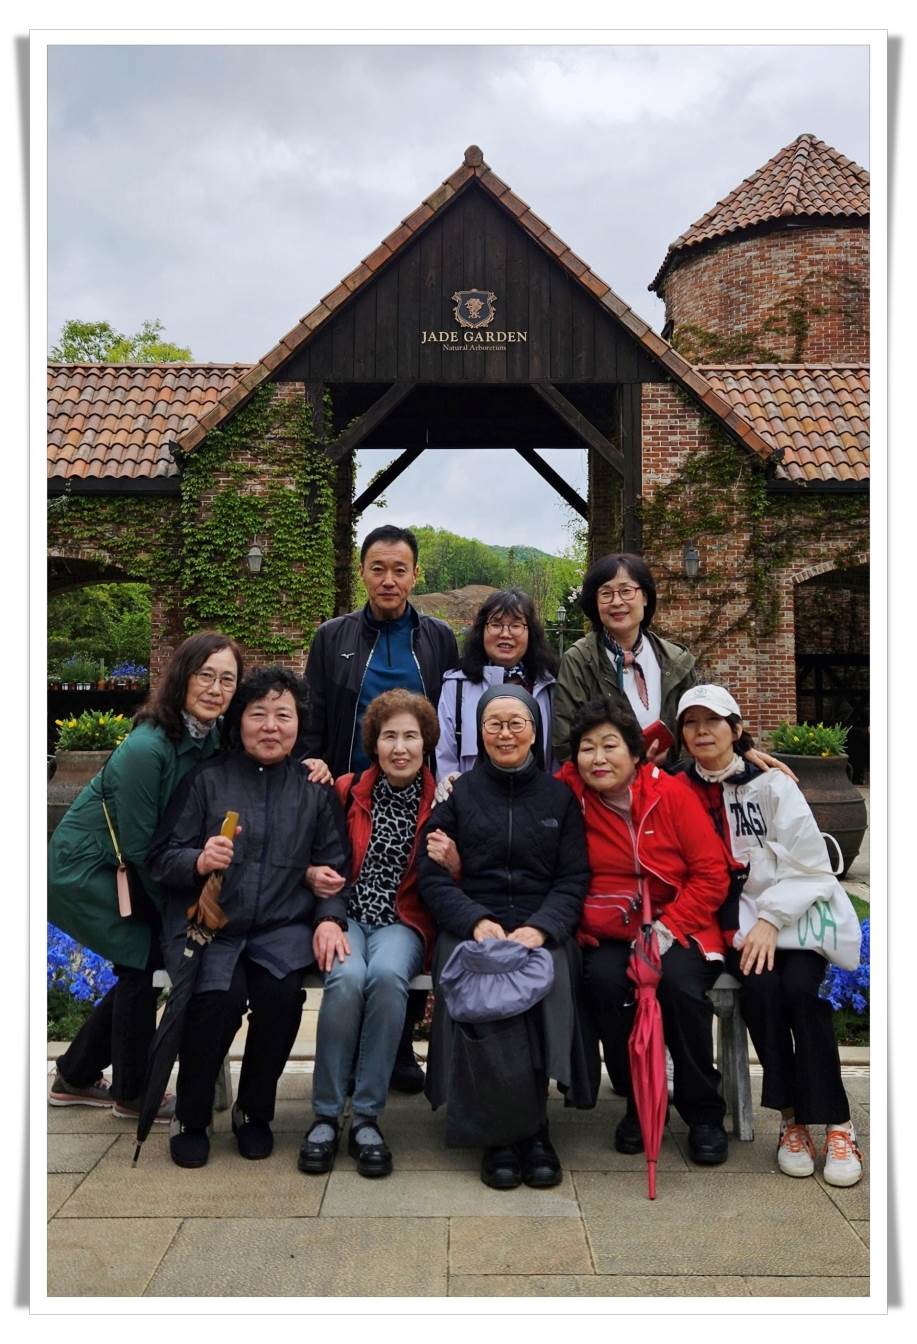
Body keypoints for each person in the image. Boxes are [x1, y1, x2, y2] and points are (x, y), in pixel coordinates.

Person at [148, 666, 349, 1169]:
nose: (271, 727)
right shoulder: (207, 780)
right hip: (212, 926)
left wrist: (329, 916)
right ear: (239, 721)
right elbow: (161, 858)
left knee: (280, 1000)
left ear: (299, 725)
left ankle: (255, 1112)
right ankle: (192, 1116)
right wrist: (198, 859)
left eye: (284, 716)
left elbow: (334, 868)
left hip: (282, 927)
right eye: (259, 714)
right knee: (216, 1000)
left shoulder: (314, 789)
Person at [48, 632, 243, 1121]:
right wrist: (181, 913)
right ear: (182, 677)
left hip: (133, 865)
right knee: (143, 958)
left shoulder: (210, 735)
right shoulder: (147, 748)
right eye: (205, 675)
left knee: (145, 959)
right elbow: (139, 849)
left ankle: (75, 1074)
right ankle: (132, 1093)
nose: (216, 689)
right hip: (90, 867)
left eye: (227, 679)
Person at [674, 684, 864, 1187]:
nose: (702, 731)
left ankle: (838, 1124)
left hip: (791, 919)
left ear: (736, 729)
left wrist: (771, 918)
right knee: (761, 993)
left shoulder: (773, 785)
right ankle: (791, 1121)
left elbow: (812, 866)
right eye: (691, 722)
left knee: (802, 991)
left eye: (713, 721)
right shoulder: (680, 787)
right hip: (735, 928)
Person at [301, 524, 458, 1090]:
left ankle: (397, 1048)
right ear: (363, 572)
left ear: (415, 575)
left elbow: (449, 714)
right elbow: (315, 711)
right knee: (355, 914)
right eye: (378, 568)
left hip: (419, 798)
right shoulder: (332, 637)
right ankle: (356, 1056)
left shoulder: (438, 638)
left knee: (411, 907)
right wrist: (313, 766)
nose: (389, 580)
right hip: (350, 796)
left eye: (400, 569)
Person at [417, 684, 590, 1191]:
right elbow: (431, 876)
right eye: (494, 724)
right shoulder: (459, 794)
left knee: (552, 973)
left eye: (517, 723)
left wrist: (543, 926)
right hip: (474, 924)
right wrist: (474, 920)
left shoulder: (559, 798)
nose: (505, 733)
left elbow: (573, 879)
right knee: (478, 984)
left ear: (535, 732)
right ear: (479, 733)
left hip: (540, 923)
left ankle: (534, 1127)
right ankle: (499, 1133)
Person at [557, 696, 733, 1165]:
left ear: (636, 752)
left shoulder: (670, 793)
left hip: (680, 920)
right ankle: (639, 1100)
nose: (598, 758)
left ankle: (703, 1111)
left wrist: (669, 928)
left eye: (610, 745)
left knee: (678, 987)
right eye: (587, 748)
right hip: (611, 925)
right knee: (604, 982)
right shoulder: (571, 793)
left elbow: (711, 873)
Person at [297, 690, 439, 1179]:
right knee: (346, 978)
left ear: (426, 743)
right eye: (389, 736)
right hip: (348, 914)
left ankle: (366, 1118)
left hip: (404, 920)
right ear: (374, 743)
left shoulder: (443, 799)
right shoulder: (346, 789)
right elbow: (316, 852)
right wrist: (324, 907)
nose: (400, 748)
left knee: (386, 977)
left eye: (410, 737)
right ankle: (325, 1114)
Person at [552, 552, 697, 765]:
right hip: (604, 781)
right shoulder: (579, 660)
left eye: (626, 591)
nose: (617, 602)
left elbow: (697, 730)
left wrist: (673, 760)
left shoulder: (676, 659)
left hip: (670, 780)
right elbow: (565, 743)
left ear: (645, 597)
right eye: (606, 594)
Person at [436, 587, 558, 782]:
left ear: (531, 632)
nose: (505, 634)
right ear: (482, 630)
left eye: (516, 625)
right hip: (471, 797)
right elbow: (445, 757)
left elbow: (555, 760)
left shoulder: (549, 687)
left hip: (537, 797)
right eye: (496, 624)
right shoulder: (456, 686)